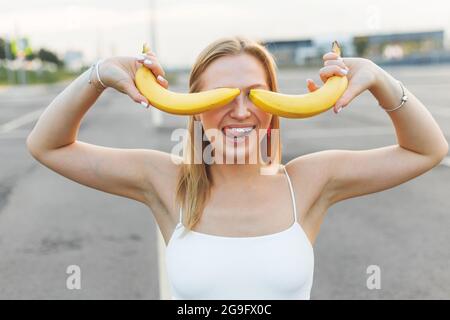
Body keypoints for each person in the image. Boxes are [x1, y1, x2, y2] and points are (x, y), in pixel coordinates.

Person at [26, 36, 448, 300]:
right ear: (194, 106)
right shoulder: (165, 181)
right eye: (222, 96)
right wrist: (97, 76)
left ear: (275, 104)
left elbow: (426, 151)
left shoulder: (308, 181)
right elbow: (48, 145)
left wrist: (377, 78)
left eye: (255, 95)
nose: (241, 111)